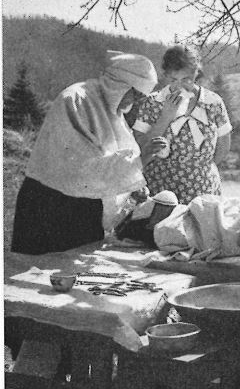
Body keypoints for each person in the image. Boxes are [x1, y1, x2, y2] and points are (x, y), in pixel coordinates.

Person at [11, 52, 160, 255]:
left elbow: (114, 162)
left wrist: (130, 187)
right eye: (135, 93)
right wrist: (137, 163)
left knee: (77, 272)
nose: (137, 102)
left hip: (85, 209)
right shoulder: (76, 99)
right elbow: (80, 168)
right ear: (120, 84)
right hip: (50, 205)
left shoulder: (113, 112)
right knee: (35, 276)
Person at [133, 45, 232, 205]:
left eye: (186, 79)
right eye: (173, 80)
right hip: (160, 187)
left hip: (203, 189)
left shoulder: (213, 102)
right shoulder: (152, 102)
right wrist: (165, 117)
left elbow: (223, 146)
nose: (179, 86)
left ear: (196, 74)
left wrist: (199, 169)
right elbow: (139, 146)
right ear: (165, 76)